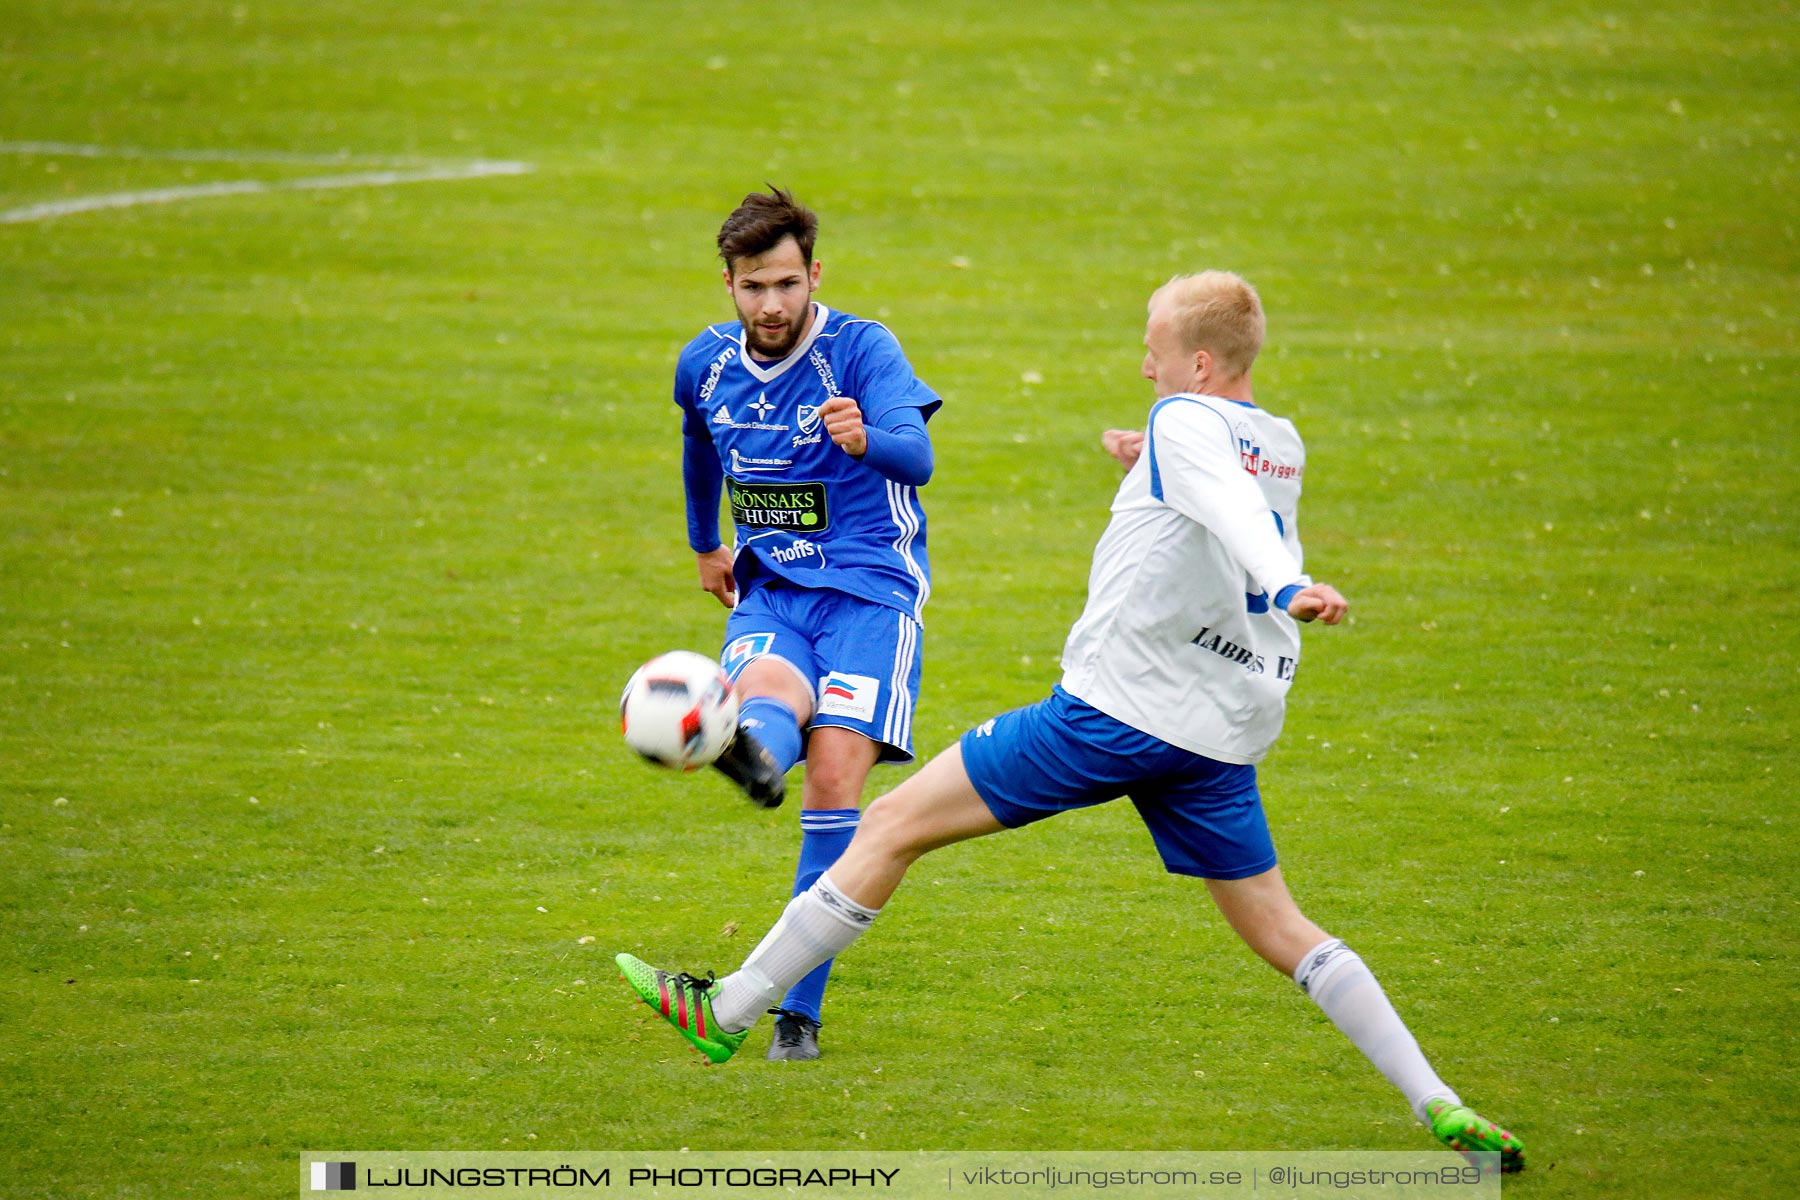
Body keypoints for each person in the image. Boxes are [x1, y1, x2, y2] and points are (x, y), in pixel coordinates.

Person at [620, 270, 1524, 1170]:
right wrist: (1152, 469)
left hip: (1113, 714)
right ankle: (1438, 1101)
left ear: (1200, 364)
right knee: (1288, 935)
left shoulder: (1185, 422)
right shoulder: (1275, 440)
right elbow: (1228, 495)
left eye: (1156, 347)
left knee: (888, 824)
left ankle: (728, 1010)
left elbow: (1242, 522)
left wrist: (1287, 582)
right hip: (1216, 737)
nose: (1144, 364)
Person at [668, 187, 943, 1061]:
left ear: (814, 275)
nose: (773, 305)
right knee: (768, 694)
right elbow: (698, 438)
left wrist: (867, 443)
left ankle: (799, 1012)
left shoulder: (862, 350)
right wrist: (705, 541)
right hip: (772, 588)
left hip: (870, 592)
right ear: (729, 284)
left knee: (834, 781)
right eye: (754, 288)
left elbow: (920, 457)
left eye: (787, 284)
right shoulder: (704, 363)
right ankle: (750, 753)